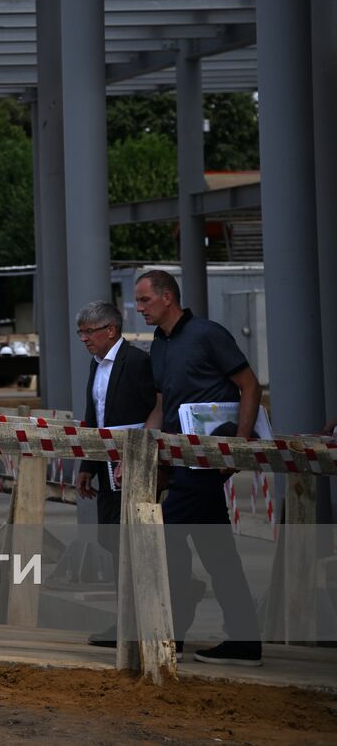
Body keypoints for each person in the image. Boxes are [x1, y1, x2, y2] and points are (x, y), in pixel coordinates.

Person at [135, 269, 262, 666]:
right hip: (179, 462)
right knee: (219, 552)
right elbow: (160, 406)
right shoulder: (159, 343)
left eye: (144, 301)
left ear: (167, 297)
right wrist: (144, 450)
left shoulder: (208, 334)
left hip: (206, 463)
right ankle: (244, 641)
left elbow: (249, 386)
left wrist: (236, 447)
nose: (138, 308)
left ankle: (175, 619)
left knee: (164, 538)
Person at [71, 300, 156, 648]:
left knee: (130, 543)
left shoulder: (137, 363)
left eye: (89, 332)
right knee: (110, 538)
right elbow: (94, 418)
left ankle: (136, 623)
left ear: (111, 330)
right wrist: (86, 466)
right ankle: (127, 621)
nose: (84, 340)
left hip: (135, 466)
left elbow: (155, 411)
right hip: (105, 466)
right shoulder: (96, 365)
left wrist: (142, 458)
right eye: (80, 333)